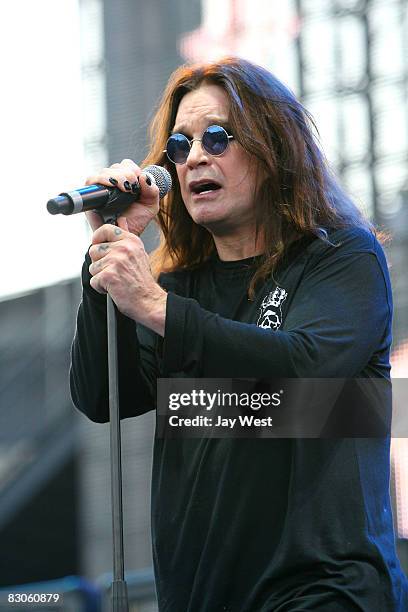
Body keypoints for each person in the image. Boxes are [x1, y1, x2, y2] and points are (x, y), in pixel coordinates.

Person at [70, 57, 408, 611]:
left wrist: (155, 306)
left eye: (219, 137)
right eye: (179, 146)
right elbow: (103, 397)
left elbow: (306, 369)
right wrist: (107, 255)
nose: (195, 155)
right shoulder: (180, 287)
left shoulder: (340, 258)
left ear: (274, 150)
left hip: (324, 590)